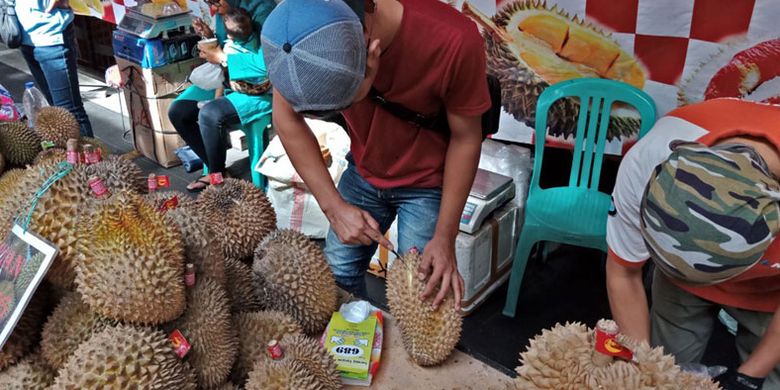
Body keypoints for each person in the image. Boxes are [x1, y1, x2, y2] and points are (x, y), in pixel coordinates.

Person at [203, 0, 491, 308]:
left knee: (422, 294)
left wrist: (446, 236)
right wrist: (333, 207)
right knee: (337, 278)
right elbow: (286, 120)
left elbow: (466, 137)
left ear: (371, 54)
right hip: (363, 170)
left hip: (428, 182)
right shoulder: (300, 30)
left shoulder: (454, 41)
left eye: (343, 103)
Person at [606, 98, 780, 389]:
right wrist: (643, 367)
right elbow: (623, 273)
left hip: (769, 291)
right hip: (678, 283)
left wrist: (750, 376)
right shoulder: (648, 159)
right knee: (663, 370)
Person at [168, 0, 274, 191]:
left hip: (259, 88)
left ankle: (215, 178)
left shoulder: (264, 13)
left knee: (209, 114)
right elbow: (226, 43)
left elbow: (268, 64)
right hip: (228, 78)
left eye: (216, 2)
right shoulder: (225, 9)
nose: (214, 9)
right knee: (178, 111)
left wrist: (224, 58)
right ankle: (218, 170)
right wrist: (208, 36)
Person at [16, 0, 93, 137]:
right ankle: (69, 156)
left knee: (69, 112)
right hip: (24, 35)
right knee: (55, 111)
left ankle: (89, 157)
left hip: (51, 34)